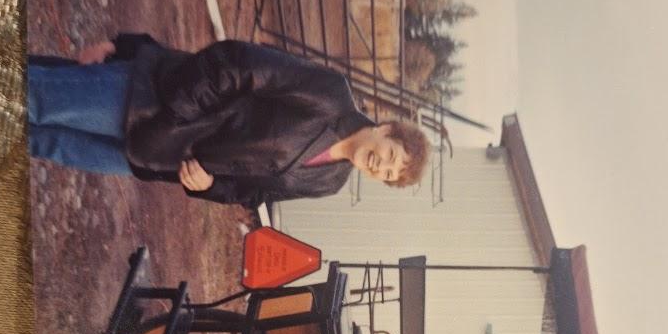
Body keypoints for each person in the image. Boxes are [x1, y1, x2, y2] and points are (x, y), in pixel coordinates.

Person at [28, 36, 430, 206]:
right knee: (34, 98)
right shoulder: (330, 95)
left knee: (43, 142)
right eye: (391, 154)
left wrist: (210, 187)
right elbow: (239, 63)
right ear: (386, 129)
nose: (382, 166)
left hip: (154, 159)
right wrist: (174, 116)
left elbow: (252, 194)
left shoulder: (329, 182)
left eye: (390, 174)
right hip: (148, 100)